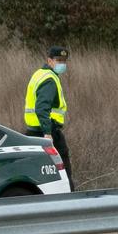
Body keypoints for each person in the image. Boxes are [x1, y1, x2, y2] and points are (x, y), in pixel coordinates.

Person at [24, 46, 74, 191]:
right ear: (49, 60)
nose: (62, 64)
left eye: (64, 61)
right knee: (64, 171)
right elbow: (41, 108)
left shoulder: (39, 74)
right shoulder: (49, 79)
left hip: (33, 131)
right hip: (48, 131)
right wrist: (47, 133)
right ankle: (72, 202)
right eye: (58, 60)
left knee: (41, 173)